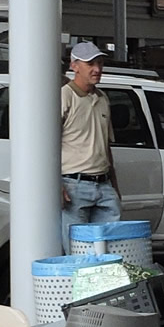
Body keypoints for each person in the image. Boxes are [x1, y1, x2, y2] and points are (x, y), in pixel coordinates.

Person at [60, 41, 121, 254]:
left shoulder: (102, 98)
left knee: (111, 251)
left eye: (100, 63)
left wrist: (114, 185)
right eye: (90, 64)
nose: (97, 69)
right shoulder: (64, 96)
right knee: (79, 253)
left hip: (103, 184)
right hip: (73, 185)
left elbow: (106, 145)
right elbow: (49, 144)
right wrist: (56, 184)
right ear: (74, 65)